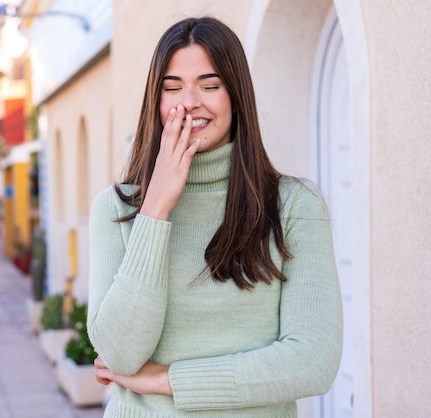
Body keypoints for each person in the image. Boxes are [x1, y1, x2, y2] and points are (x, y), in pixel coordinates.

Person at [87, 16, 342, 417]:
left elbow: (312, 362)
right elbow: (119, 353)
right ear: (156, 101)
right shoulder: (115, 209)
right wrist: (155, 208)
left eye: (209, 85)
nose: (189, 102)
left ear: (236, 96)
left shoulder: (294, 205)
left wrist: (167, 380)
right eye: (172, 87)